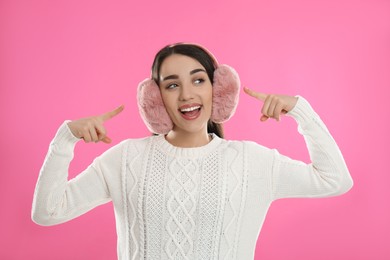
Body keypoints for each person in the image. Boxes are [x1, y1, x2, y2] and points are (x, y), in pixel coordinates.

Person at [31, 43, 353, 260]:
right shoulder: (125, 160)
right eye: (172, 85)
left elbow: (335, 180)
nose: (187, 94)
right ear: (154, 100)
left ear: (219, 88)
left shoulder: (253, 162)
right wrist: (65, 141)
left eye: (198, 80)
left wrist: (301, 111)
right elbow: (47, 212)